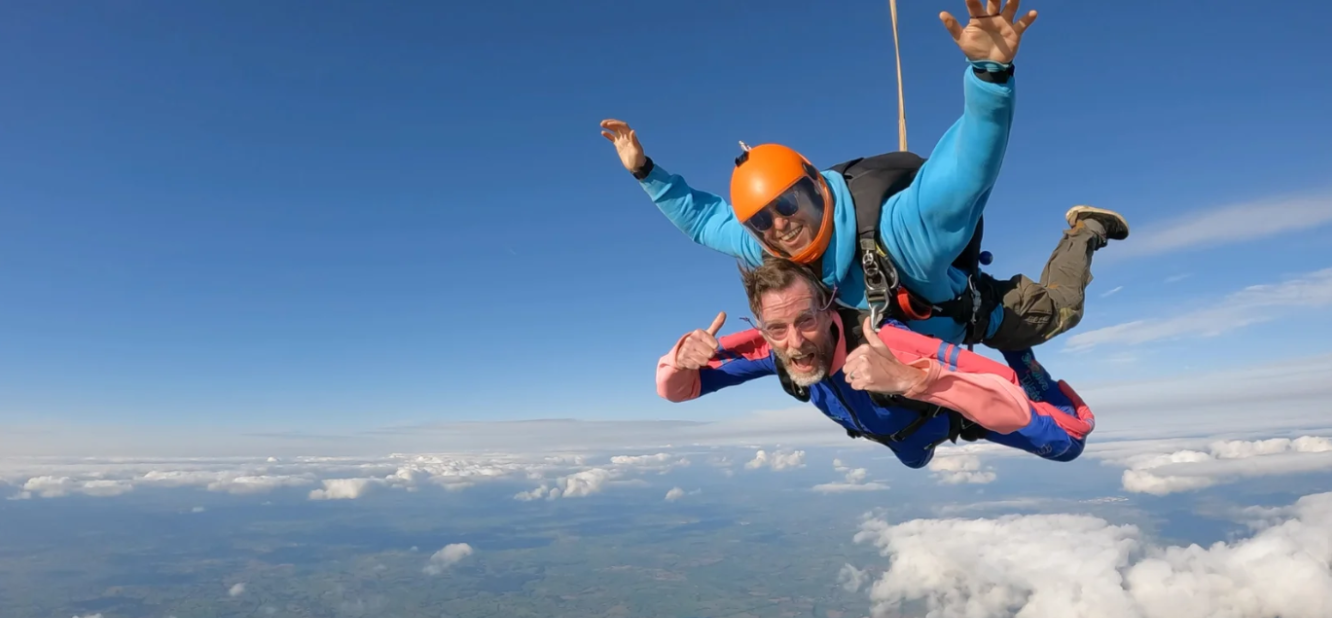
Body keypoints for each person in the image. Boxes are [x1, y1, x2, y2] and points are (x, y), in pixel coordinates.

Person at [603, 0, 1128, 351]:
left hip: (973, 318)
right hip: (906, 340)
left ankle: (1086, 229)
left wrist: (990, 77)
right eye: (762, 220)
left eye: (788, 204)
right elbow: (703, 220)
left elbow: (964, 174)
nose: (780, 224)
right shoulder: (770, 251)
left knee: (1059, 311)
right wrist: (645, 171)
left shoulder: (900, 235)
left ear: (815, 186)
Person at [654, 256, 1095, 469]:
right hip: (904, 442)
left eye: (806, 320)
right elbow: (679, 390)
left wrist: (915, 380)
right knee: (915, 459)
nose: (796, 342)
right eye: (777, 328)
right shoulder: (775, 350)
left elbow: (1009, 393)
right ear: (762, 328)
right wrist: (681, 360)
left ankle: (1015, 340)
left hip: (952, 416)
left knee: (1067, 445)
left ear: (828, 309)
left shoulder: (886, 342)